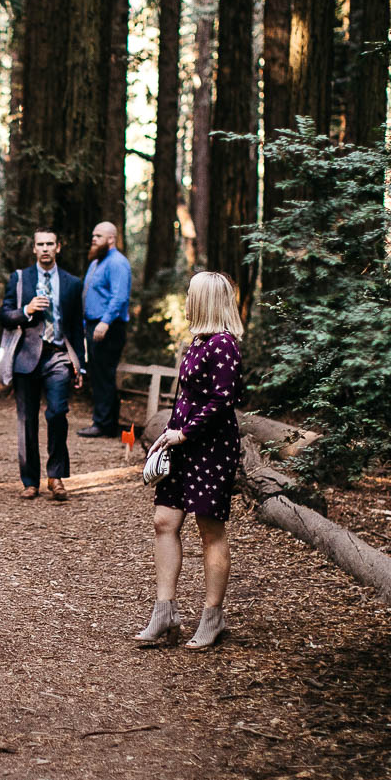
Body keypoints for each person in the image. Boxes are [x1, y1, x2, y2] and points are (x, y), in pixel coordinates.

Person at [135, 271, 246, 651]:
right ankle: (165, 612)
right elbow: (186, 398)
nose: (185, 300)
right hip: (181, 444)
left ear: (205, 301)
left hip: (211, 448)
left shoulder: (224, 345)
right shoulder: (197, 342)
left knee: (209, 529)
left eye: (190, 294)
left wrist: (184, 433)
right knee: (164, 521)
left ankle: (213, 617)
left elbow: (222, 401)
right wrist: (168, 434)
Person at [0, 227, 85, 501]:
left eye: (50, 243)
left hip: (58, 355)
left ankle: (56, 476)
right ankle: (30, 481)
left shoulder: (72, 283)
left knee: (57, 412)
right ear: (34, 248)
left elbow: (77, 326)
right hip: (26, 357)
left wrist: (80, 365)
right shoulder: (20, 278)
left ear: (58, 247)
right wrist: (27, 310)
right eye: (41, 244)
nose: (45, 248)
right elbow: (4, 316)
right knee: (27, 420)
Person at [79, 221, 134, 438]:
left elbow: (119, 297)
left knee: (104, 374)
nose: (93, 239)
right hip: (94, 325)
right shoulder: (97, 262)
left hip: (109, 327)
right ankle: (106, 423)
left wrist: (105, 322)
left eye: (99, 236)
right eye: (93, 235)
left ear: (111, 238)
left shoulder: (118, 263)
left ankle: (103, 424)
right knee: (98, 374)